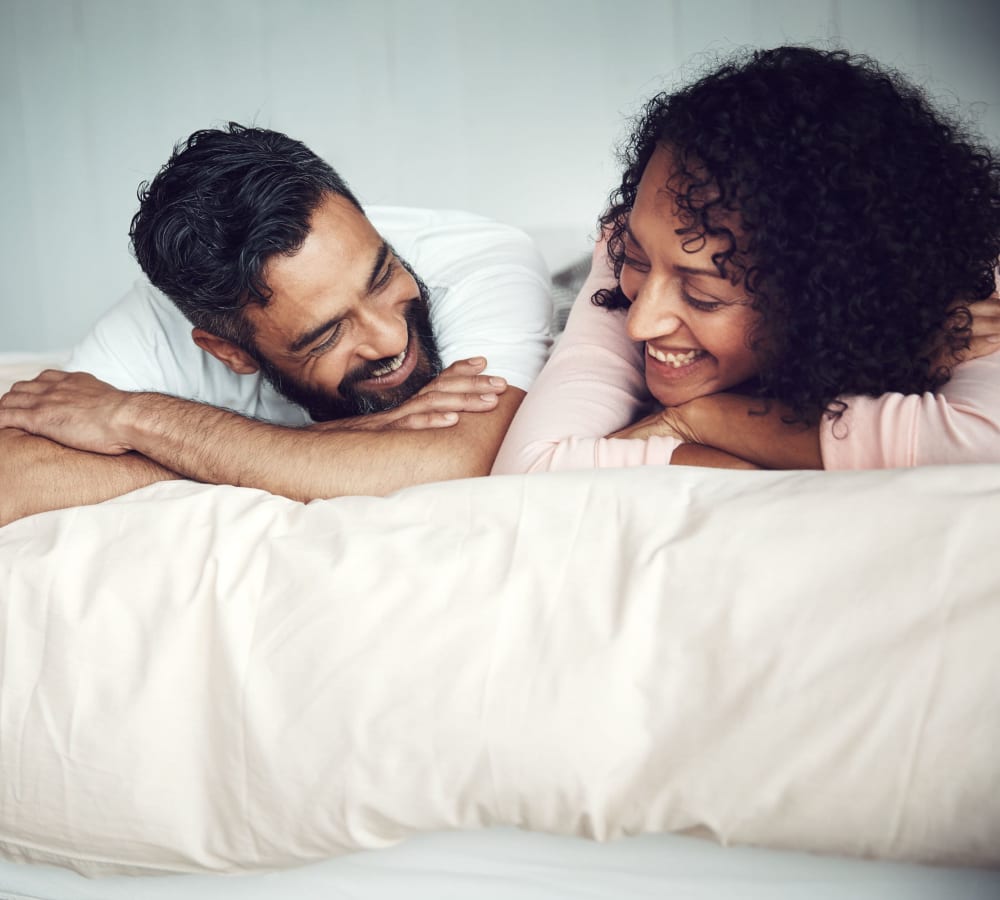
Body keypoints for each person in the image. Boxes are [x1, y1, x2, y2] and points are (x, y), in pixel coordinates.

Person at [0, 124, 552, 525]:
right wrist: (339, 444)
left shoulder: (485, 257)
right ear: (228, 351)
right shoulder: (150, 325)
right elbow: (11, 479)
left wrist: (141, 419)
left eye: (382, 278)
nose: (389, 338)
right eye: (328, 334)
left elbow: (455, 459)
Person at [492, 46, 1000, 475]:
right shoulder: (628, 238)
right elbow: (536, 466)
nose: (640, 324)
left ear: (828, 300)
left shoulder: (969, 294)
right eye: (640, 261)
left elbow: (980, 441)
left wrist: (700, 421)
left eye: (703, 296)